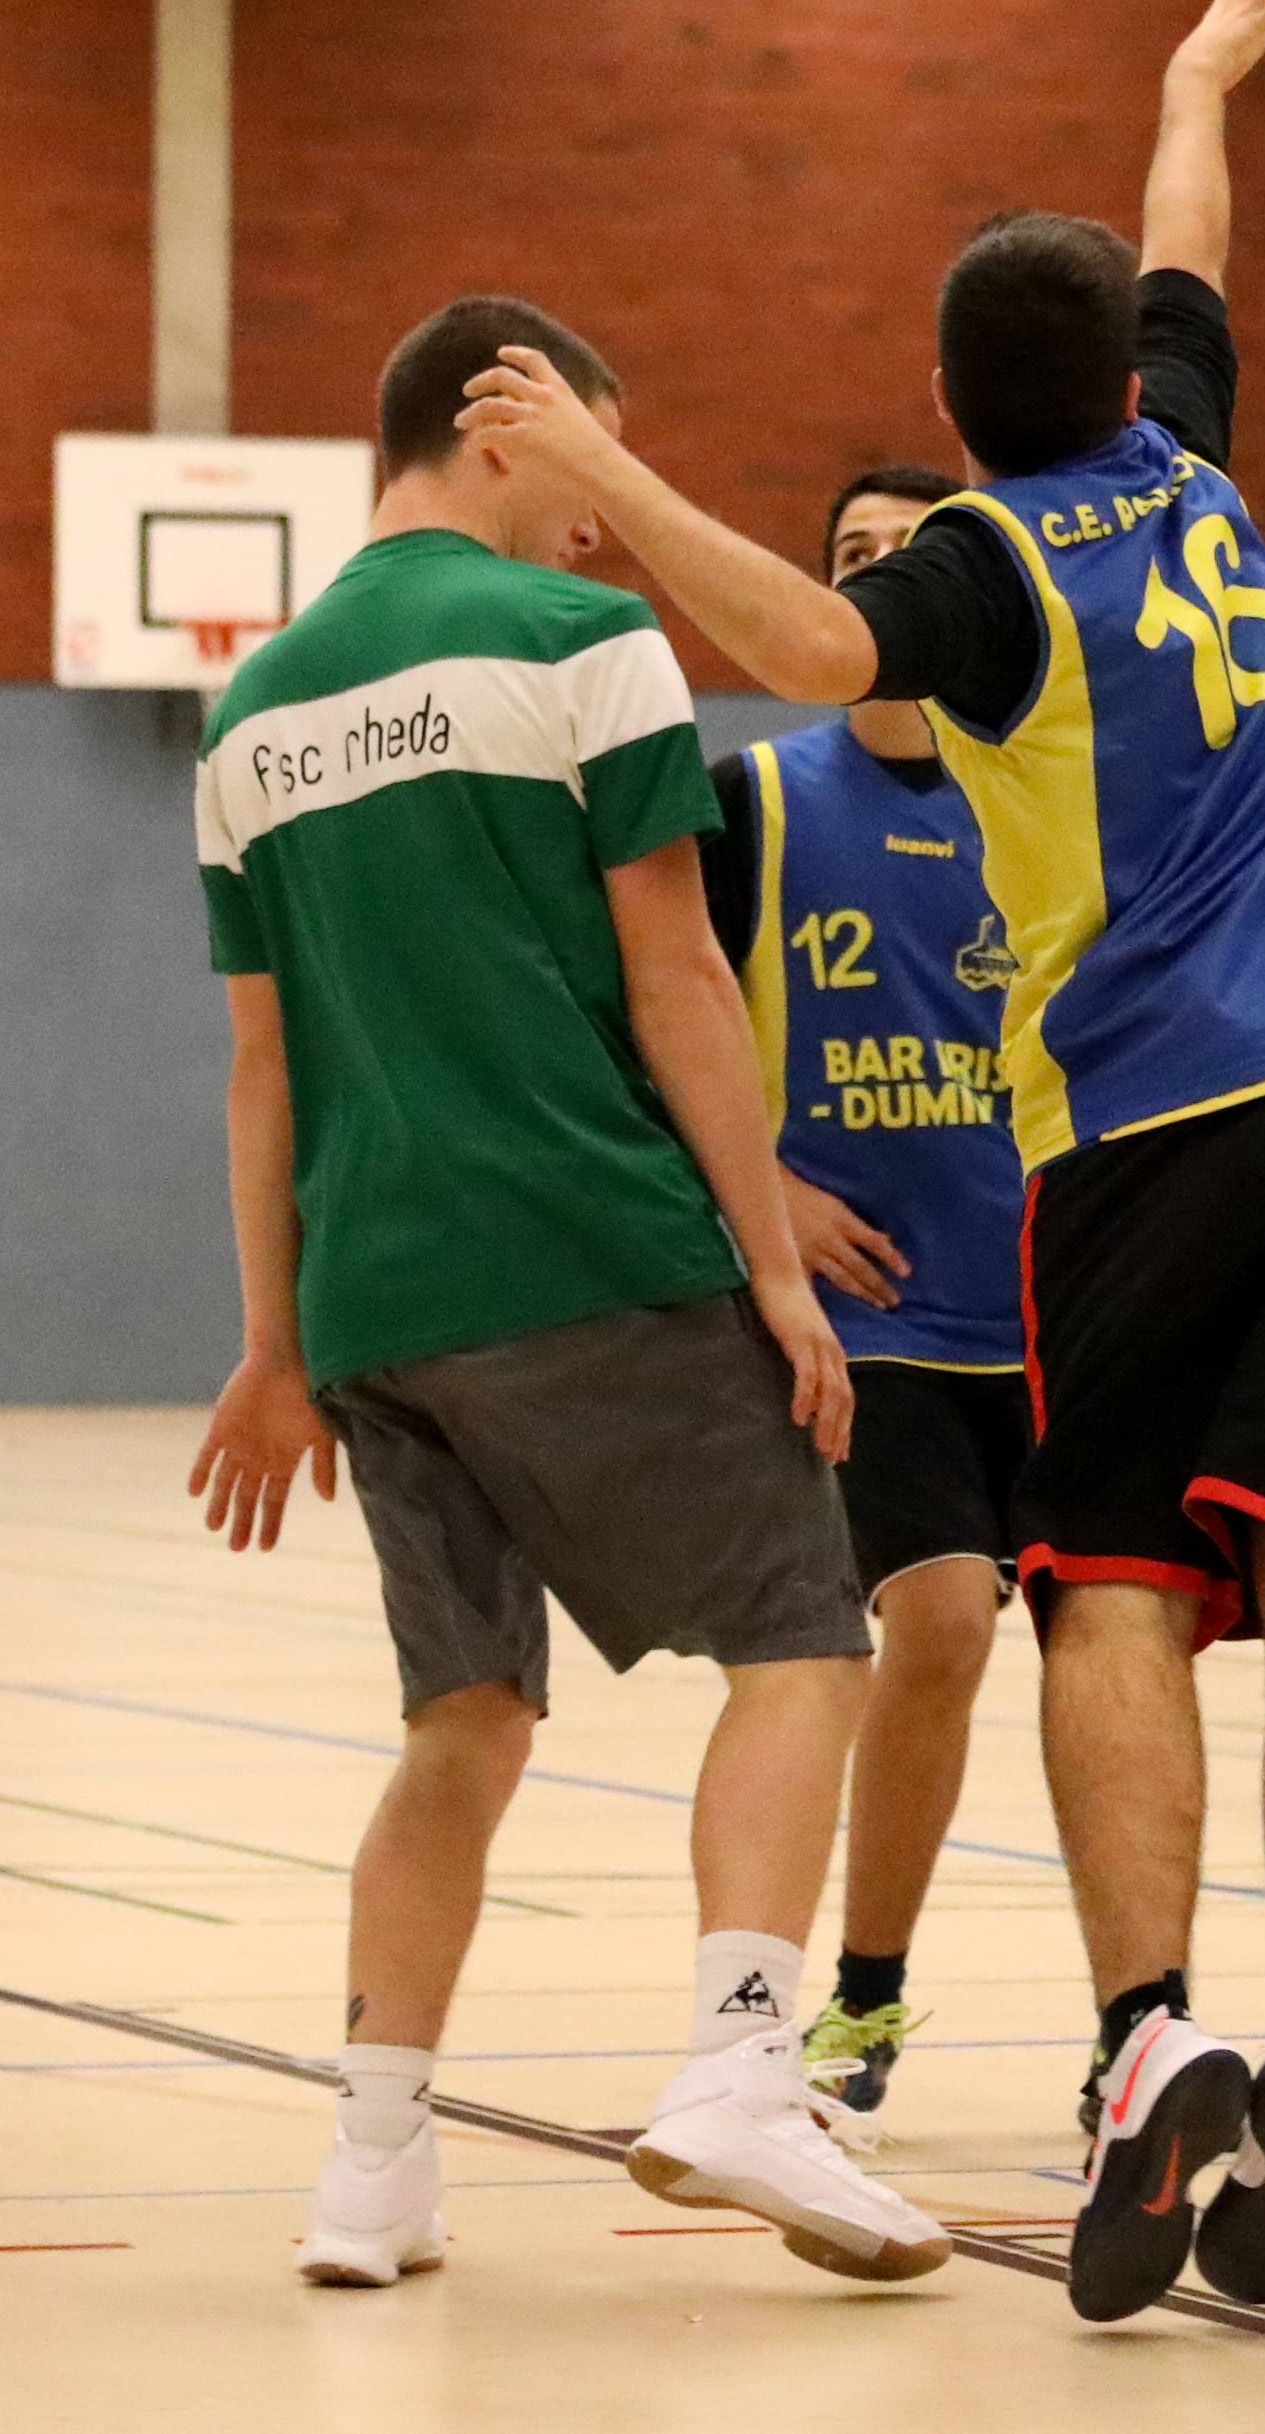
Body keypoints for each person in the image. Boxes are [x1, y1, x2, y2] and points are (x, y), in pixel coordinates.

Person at [455, 0, 1265, 2325]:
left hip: (1160, 1104)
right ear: (1126, 379)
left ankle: (1156, 2037)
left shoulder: (982, 572)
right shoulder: (1192, 466)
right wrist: (1193, 76)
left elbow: (814, 653)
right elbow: (1188, 242)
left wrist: (605, 474)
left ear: (948, 411)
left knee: (1102, 1578)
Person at [186, 296, 949, 2297]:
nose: (603, 516)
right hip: (591, 1242)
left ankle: (371, 2167)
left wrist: (271, 1343)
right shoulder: (578, 641)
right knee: (805, 1642)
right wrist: (770, 1263)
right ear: (496, 428)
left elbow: (262, 1066)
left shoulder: (248, 710)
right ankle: (744, 2068)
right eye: (590, 457)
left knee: (462, 1720)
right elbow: (677, 975)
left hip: (374, 1296)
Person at [699, 466, 1027, 2117]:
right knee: (943, 1619)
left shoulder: (1046, 793)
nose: (880, 575)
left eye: (910, 551)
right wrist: (763, 1188)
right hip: (876, 1317)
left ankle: (1142, 2015)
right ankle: (866, 1995)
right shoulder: (754, 800)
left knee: (1119, 1654)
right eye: (850, 555)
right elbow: (648, 1027)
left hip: (1055, 1300)